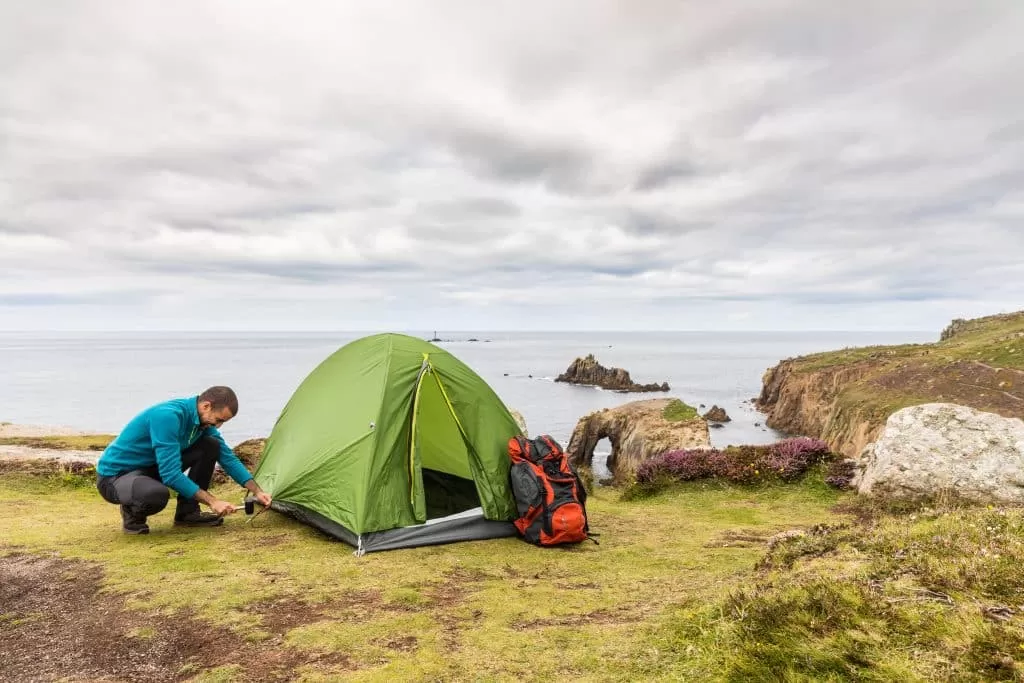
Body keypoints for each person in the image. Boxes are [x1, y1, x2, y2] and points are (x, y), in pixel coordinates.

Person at [95, 386, 272, 534]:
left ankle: (188, 513)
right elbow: (170, 475)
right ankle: (132, 513)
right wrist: (213, 501)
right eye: (218, 420)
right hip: (115, 478)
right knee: (156, 495)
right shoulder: (168, 417)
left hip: (149, 469)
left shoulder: (201, 424)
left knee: (211, 445)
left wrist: (257, 491)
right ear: (206, 406)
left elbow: (227, 457)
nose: (218, 426)